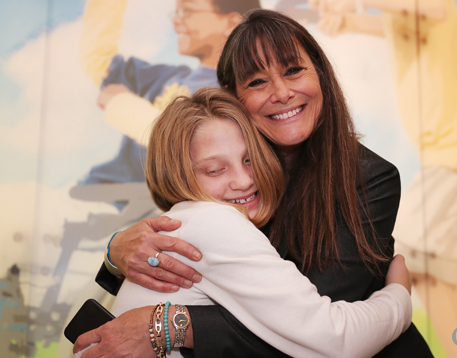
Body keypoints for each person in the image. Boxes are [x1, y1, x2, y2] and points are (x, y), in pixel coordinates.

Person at [76, 9, 434, 357]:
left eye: (293, 71)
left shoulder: (369, 177)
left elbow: (310, 333)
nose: (281, 92)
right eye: (258, 81)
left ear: (322, 75)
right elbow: (184, 262)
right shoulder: (225, 171)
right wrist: (114, 252)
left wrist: (173, 325)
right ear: (234, 96)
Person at [309, 0, 457, 357]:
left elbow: (432, 10)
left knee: (424, 266)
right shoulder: (406, 18)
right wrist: (347, 21)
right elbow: (394, 26)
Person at [79, 0, 260, 187]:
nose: (175, 20)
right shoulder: (169, 76)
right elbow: (100, 62)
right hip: (96, 193)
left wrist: (121, 105)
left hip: (138, 207)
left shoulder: (239, 92)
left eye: (186, 11)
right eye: (176, 12)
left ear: (231, 23)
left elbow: (191, 148)